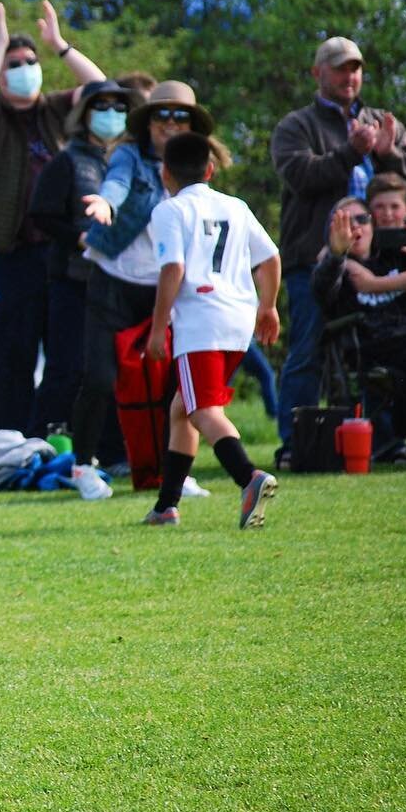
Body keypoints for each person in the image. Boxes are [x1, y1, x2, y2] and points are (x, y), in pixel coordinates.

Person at [269, 36, 406, 467]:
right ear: (317, 74)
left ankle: (388, 439)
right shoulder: (297, 125)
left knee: (382, 349)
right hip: (317, 261)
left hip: (382, 262)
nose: (350, 76)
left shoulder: (379, 120)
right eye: (340, 68)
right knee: (307, 351)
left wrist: (386, 152)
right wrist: (351, 152)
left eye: (355, 68)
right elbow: (300, 174)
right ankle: (295, 443)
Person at [0, 0, 105, 435]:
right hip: (10, 255)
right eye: (14, 64)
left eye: (30, 61)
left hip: (60, 253)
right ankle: (8, 445)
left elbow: (102, 87)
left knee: (65, 354)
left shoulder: (56, 111)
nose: (24, 68)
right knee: (11, 355)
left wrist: (60, 46)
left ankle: (53, 439)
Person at [74, 81, 218, 496]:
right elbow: (117, 183)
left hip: (165, 288)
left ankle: (175, 473)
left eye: (180, 117)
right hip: (113, 280)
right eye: (161, 116)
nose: (170, 124)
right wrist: (105, 203)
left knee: (176, 384)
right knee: (100, 378)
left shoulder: (198, 170)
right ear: (147, 123)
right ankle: (83, 467)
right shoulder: (128, 156)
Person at [142, 131, 282, 528]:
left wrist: (157, 329)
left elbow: (174, 269)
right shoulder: (235, 206)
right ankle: (166, 506)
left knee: (203, 410)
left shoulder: (169, 211)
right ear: (210, 169)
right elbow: (270, 256)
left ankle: (248, 477)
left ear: (164, 173)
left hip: (201, 320)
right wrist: (268, 306)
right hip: (238, 318)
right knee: (182, 409)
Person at [26, 79, 142, 460]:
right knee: (67, 367)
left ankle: (110, 451)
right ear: (84, 113)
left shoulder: (129, 162)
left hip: (118, 283)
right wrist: (78, 238)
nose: (112, 115)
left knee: (110, 372)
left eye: (119, 107)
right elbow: (41, 214)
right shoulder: (68, 160)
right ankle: (42, 448)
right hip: (72, 281)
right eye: (102, 107)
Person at [313, 187, 406, 469]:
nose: (356, 227)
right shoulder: (338, 269)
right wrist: (336, 255)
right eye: (345, 221)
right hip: (375, 348)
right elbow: (322, 292)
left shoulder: (396, 257)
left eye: (362, 219)